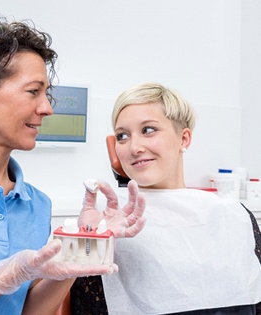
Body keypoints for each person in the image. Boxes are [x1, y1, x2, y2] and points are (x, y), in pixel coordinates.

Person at [0, 8, 146, 314]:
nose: (47, 108)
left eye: (46, 94)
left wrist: (80, 247)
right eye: (33, 92)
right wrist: (3, 277)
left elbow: (31, 311)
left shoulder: (37, 205)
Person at [96, 82, 261, 314]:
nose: (134, 147)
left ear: (184, 139)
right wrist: (89, 241)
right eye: (122, 136)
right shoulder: (106, 221)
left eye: (148, 130)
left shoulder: (232, 214)